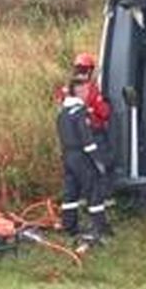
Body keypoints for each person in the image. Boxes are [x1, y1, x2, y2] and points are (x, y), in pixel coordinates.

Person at [57, 76, 110, 241]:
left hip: (67, 155)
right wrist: (98, 161)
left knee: (70, 192)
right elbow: (87, 140)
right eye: (86, 90)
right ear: (79, 91)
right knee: (94, 190)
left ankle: (69, 226)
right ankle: (100, 228)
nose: (88, 93)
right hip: (81, 156)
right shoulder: (80, 112)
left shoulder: (63, 113)